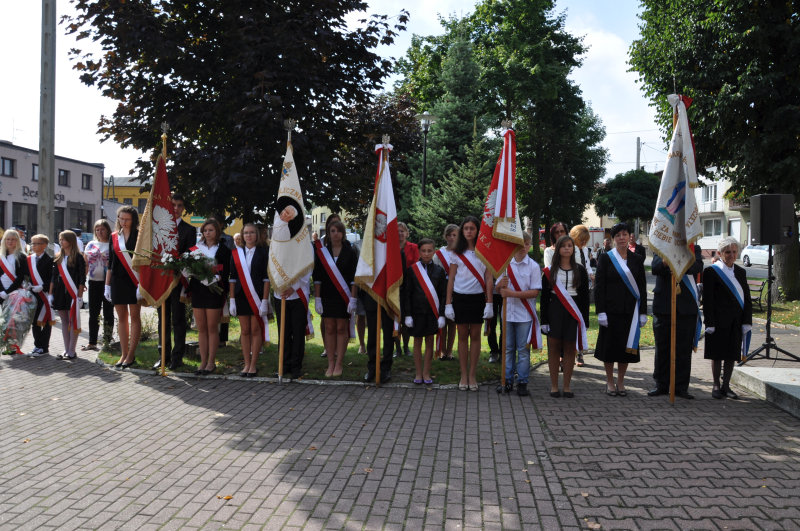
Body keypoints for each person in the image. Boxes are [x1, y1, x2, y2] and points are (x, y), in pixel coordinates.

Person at [594, 222, 647, 396]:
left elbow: (641, 287)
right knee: (609, 348)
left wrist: (643, 312)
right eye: (618, 235)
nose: (622, 238)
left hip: (630, 312)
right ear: (613, 238)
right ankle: (610, 381)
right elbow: (599, 287)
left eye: (625, 234)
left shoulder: (637, 259)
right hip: (610, 312)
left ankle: (621, 382)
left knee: (626, 348)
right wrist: (601, 311)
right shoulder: (606, 258)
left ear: (629, 236)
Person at [445, 215, 494, 391]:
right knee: (462, 336)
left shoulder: (484, 251)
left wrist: (489, 302)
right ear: (462, 231)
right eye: (466, 228)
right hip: (460, 298)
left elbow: (489, 278)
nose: (469, 231)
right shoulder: (455, 253)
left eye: (472, 228)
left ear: (477, 230)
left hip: (478, 298)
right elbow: (451, 279)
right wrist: (448, 303)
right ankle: (463, 375)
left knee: (475, 336)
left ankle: (472, 375)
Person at [649, 243, 704, 399]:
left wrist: (679, 261)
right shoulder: (661, 245)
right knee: (662, 348)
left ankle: (681, 387)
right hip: (664, 305)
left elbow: (697, 266)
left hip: (686, 307)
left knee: (684, 349)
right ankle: (661, 384)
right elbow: (655, 267)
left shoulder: (693, 248)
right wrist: (667, 261)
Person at [703, 237, 752, 399]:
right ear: (720, 253)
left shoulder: (741, 272)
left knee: (732, 354)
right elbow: (708, 300)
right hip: (717, 321)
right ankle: (716, 385)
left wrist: (747, 321)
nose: (731, 255)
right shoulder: (711, 272)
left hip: (736, 321)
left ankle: (726, 386)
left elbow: (746, 299)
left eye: (734, 252)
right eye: (728, 252)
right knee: (717, 354)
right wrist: (709, 322)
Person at [541, 235, 590, 398]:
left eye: (570, 245)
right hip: (554, 310)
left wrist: (584, 321)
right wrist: (544, 320)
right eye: (563, 246)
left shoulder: (580, 270)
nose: (567, 248)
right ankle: (554, 386)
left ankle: (567, 386)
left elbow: (584, 298)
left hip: (573, 311)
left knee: (570, 348)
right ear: (558, 249)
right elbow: (544, 298)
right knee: (554, 347)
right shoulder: (550, 271)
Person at [495, 232, 541, 396]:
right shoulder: (505, 264)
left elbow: (535, 292)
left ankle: (522, 382)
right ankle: (507, 380)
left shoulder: (533, 266)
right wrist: (500, 285)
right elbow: (498, 289)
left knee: (523, 350)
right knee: (508, 349)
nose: (523, 247)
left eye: (526, 244)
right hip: (508, 314)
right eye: (520, 244)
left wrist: (512, 294)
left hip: (524, 315)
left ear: (529, 246)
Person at [155, 194, 197, 370]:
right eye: (173, 205)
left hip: (179, 279)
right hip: (161, 280)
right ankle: (163, 356)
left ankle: (177, 357)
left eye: (180, 205)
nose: (176, 208)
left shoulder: (189, 230)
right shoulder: (159, 228)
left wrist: (179, 266)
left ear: (183, 208)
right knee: (162, 319)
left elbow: (190, 253)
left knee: (178, 319)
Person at [314, 219, 358, 377]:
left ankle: (339, 363)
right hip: (327, 296)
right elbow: (317, 277)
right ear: (328, 233)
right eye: (332, 231)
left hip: (344, 297)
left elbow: (354, 278)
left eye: (338, 231)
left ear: (343, 233)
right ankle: (330, 363)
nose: (335, 234)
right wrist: (317, 299)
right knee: (330, 328)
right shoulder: (322, 252)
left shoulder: (350, 251)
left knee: (341, 328)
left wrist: (353, 299)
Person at [402, 238, 446, 384]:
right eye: (423, 251)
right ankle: (418, 373)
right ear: (419, 252)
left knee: (429, 342)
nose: (426, 254)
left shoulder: (439, 271)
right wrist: (407, 314)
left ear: (434, 251)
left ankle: (426, 372)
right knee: (417, 342)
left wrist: (441, 315)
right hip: (416, 313)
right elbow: (407, 293)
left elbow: (443, 295)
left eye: (429, 251)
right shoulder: (412, 270)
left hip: (432, 313)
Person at [190, 218, 231, 375]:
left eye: (210, 230)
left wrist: (216, 277)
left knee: (212, 328)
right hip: (198, 290)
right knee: (201, 329)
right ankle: (202, 362)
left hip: (214, 290)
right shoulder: (195, 248)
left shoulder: (223, 250)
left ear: (217, 232)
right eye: (205, 230)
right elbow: (189, 267)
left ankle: (211, 362)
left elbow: (226, 271)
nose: (207, 233)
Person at [229, 223, 270, 377]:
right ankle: (246, 364)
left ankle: (253, 365)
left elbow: (267, 279)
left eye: (252, 232)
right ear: (242, 235)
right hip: (241, 296)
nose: (249, 235)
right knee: (245, 331)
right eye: (246, 233)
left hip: (257, 297)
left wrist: (265, 300)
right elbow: (232, 278)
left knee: (255, 330)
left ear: (257, 235)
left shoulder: (264, 252)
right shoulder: (236, 253)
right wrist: (232, 300)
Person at [106, 205, 142, 369]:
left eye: (127, 219)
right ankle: (123, 353)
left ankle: (131, 354)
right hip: (117, 280)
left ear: (133, 220)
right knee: (121, 317)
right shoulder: (114, 237)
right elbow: (110, 263)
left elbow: (143, 262)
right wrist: (107, 285)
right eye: (121, 218)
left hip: (134, 280)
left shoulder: (139, 235)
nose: (124, 222)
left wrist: (142, 284)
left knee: (134, 316)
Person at [50, 231, 86, 360]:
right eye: (60, 239)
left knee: (72, 320)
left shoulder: (78, 257)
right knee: (64, 321)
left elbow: (82, 278)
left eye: (63, 239)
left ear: (70, 241)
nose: (61, 242)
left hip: (73, 291)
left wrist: (80, 296)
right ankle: (66, 349)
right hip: (59, 291)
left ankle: (72, 350)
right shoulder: (58, 256)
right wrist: (50, 294)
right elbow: (53, 277)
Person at [83, 219, 114, 351]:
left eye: (102, 229)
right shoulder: (91, 244)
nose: (100, 232)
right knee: (93, 313)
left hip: (108, 284)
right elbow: (85, 263)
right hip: (93, 282)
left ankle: (107, 341)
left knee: (108, 312)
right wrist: (82, 281)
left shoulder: (112, 244)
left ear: (107, 230)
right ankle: (92, 342)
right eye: (97, 230)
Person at [569, 224, 594, 367]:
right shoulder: (569, 248)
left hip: (584, 288)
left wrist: (591, 274)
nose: (584, 242)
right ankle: (568, 353)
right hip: (572, 288)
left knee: (583, 320)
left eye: (585, 240)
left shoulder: (585, 249)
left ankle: (580, 353)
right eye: (581, 239)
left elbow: (587, 265)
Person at [25, 234, 54, 357]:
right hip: (32, 294)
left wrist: (43, 286)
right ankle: (37, 345)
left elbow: (52, 278)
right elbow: (26, 275)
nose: (34, 246)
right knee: (34, 321)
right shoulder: (29, 259)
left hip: (45, 294)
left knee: (46, 320)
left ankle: (44, 347)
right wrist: (26, 284)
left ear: (44, 245)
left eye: (37, 243)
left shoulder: (50, 260)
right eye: (32, 243)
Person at [0, 229, 28, 355]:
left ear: (17, 241)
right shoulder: (1, 255)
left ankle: (12, 346)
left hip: (16, 292)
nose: (10, 242)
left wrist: (8, 291)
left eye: (13, 239)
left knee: (14, 321)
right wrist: (2, 291)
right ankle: (6, 344)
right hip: (1, 292)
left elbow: (21, 277)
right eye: (8, 239)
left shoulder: (21, 256)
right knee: (5, 320)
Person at [433, 223, 458, 360]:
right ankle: (442, 351)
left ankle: (450, 351)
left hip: (457, 290)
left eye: (455, 235)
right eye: (450, 235)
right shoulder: (439, 254)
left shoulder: (461, 252)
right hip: (442, 291)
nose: (452, 238)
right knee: (442, 321)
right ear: (446, 236)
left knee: (453, 321)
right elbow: (435, 272)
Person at [395, 221, 419, 358]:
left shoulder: (414, 247)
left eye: (402, 231)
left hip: (409, 287)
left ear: (407, 233)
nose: (400, 233)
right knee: (395, 319)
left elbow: (415, 266)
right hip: (394, 288)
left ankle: (406, 347)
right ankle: (397, 348)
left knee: (406, 318)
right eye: (397, 231)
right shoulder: (390, 248)